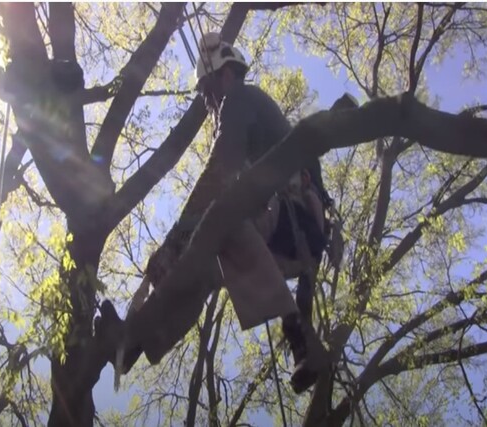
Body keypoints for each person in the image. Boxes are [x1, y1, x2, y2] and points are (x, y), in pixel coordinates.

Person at [98, 32, 332, 394]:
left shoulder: (240, 97)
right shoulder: (244, 109)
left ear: (225, 75)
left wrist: (175, 240)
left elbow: (221, 169)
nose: (208, 104)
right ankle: (134, 341)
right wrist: (183, 248)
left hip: (296, 219)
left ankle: (297, 332)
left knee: (221, 224)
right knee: (204, 269)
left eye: (207, 91)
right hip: (288, 238)